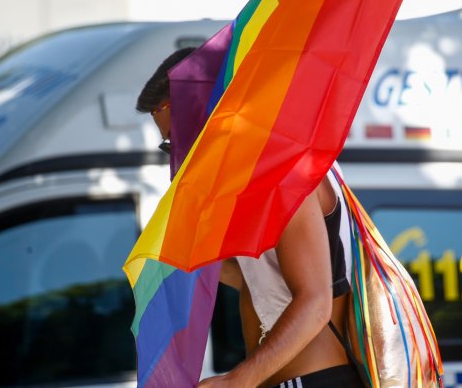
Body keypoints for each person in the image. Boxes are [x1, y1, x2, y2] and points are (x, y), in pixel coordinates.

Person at [136, 47, 364, 388]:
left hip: (316, 380)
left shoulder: (285, 171)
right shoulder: (256, 180)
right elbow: (261, 284)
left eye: (175, 142)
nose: (178, 158)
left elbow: (314, 302)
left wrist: (239, 380)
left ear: (208, 116)